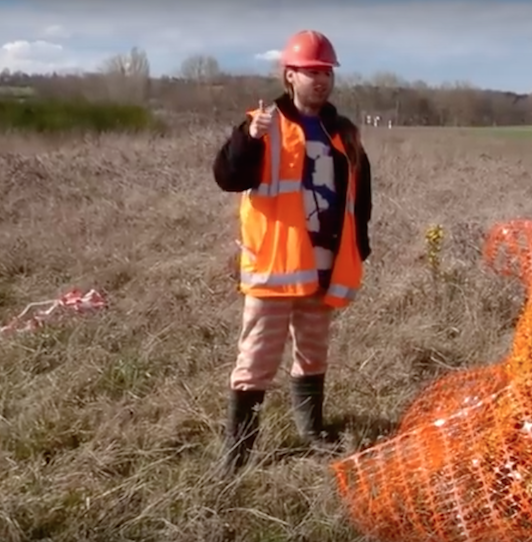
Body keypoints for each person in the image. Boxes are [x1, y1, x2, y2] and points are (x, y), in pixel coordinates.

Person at [212, 29, 373, 474]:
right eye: (310, 72)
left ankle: (313, 434)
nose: (320, 80)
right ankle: (237, 456)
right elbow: (228, 176)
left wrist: (360, 244)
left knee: (314, 353)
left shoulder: (343, 133)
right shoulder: (264, 124)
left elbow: (362, 195)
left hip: (324, 266)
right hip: (274, 268)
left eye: (326, 72)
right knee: (256, 362)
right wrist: (248, 136)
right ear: (290, 76)